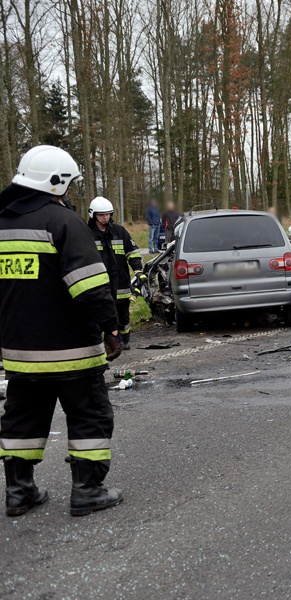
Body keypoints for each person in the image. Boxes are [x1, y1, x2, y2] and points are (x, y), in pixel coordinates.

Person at [0, 145, 123, 517]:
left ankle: (19, 493)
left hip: (20, 354)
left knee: (21, 420)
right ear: (56, 183)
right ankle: (87, 491)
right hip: (73, 352)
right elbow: (89, 288)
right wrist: (111, 328)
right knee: (89, 416)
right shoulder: (64, 223)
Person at [88, 197, 145, 351]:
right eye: (101, 215)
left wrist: (138, 270)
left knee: (123, 315)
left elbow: (132, 252)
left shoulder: (119, 231)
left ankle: (124, 340)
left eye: (108, 214)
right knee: (100, 314)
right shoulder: (87, 234)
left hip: (121, 283)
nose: (106, 218)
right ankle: (102, 342)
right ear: (93, 215)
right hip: (99, 284)